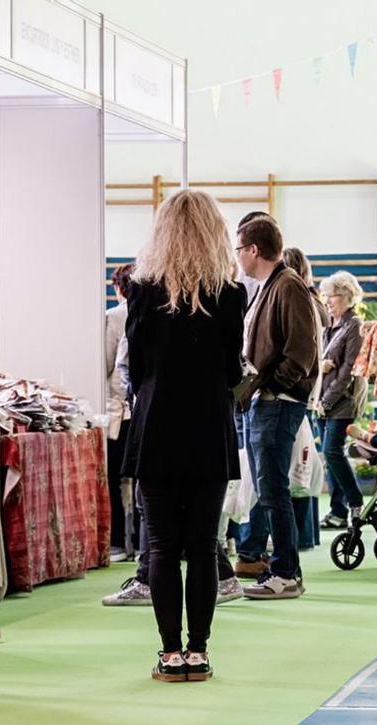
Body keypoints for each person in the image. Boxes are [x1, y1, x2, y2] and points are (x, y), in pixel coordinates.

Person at [120, 190, 246, 682]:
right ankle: (199, 651)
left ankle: (169, 653)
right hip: (209, 426)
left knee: (162, 547)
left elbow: (137, 365)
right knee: (203, 546)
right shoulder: (231, 294)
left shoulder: (142, 289)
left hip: (156, 426)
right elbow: (232, 367)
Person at [233, 216, 318, 600]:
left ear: (253, 249)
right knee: (267, 489)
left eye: (238, 249)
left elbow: (300, 354)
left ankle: (286, 571)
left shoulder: (288, 286)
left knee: (273, 489)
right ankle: (281, 568)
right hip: (265, 401)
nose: (236, 257)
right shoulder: (270, 286)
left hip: (277, 403)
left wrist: (270, 387)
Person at [316, 271, 367, 530]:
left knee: (332, 451)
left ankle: (356, 501)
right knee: (330, 456)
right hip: (323, 400)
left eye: (331, 296)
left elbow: (348, 371)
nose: (327, 300)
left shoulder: (354, 325)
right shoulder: (329, 325)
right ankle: (338, 512)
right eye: (325, 295)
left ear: (347, 296)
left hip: (342, 401)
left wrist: (325, 401)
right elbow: (322, 362)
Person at [105, 263, 134, 562]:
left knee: (116, 478)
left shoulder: (114, 317)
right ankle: (138, 543)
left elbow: (107, 363)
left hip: (120, 412)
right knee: (139, 482)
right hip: (137, 410)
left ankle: (117, 543)